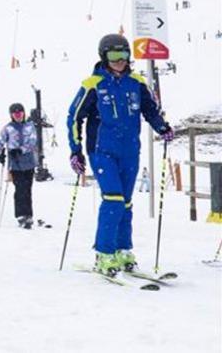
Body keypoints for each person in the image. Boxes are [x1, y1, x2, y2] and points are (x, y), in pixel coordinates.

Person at [67, 34, 172, 275]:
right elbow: (74, 118)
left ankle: (123, 250)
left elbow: (151, 111)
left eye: (124, 55)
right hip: (102, 151)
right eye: (114, 56)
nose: (120, 61)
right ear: (104, 57)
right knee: (113, 200)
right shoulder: (92, 84)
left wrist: (162, 128)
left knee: (125, 203)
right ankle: (104, 253)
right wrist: (76, 151)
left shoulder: (136, 82)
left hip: (129, 152)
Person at [0, 102, 38, 228]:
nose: (18, 115)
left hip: (29, 163)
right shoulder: (8, 128)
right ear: (11, 115)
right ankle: (21, 215)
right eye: (15, 113)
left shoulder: (30, 126)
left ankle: (29, 215)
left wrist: (21, 149)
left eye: (20, 113)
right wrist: (0, 153)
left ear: (24, 113)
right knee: (20, 189)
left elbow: (33, 141)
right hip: (16, 164)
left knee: (28, 189)